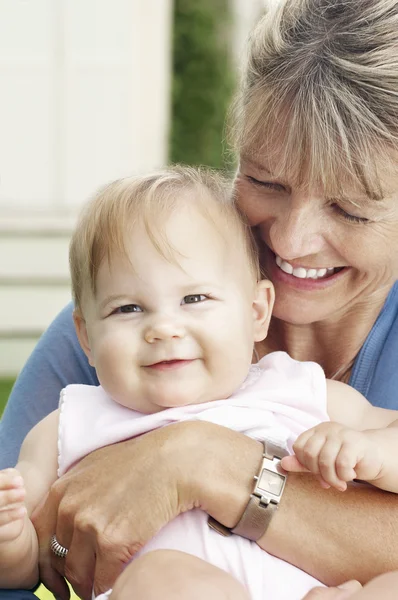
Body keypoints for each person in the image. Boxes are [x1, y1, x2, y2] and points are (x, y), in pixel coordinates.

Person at [2, 0, 398, 598]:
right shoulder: (113, 339)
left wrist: (199, 461)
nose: (289, 240)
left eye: (350, 208)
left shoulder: (315, 397)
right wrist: (39, 548)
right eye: (265, 180)